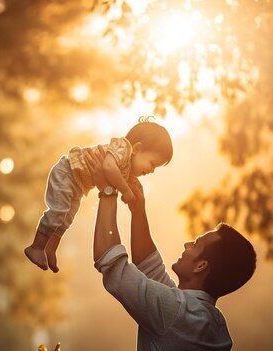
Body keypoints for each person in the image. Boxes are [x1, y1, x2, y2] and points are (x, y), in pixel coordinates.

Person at [85, 148, 257, 351]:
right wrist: (138, 210)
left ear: (201, 265)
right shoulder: (209, 319)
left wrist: (107, 191)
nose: (187, 245)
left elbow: (112, 264)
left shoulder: (176, 312)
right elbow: (150, 270)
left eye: (196, 244)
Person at [25, 117, 173, 272]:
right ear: (137, 149)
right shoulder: (122, 148)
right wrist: (126, 190)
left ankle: (50, 249)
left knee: (67, 218)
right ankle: (36, 247)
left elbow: (118, 177)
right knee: (58, 212)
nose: (152, 170)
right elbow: (109, 167)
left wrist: (131, 187)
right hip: (67, 172)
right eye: (152, 163)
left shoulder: (126, 167)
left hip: (77, 184)